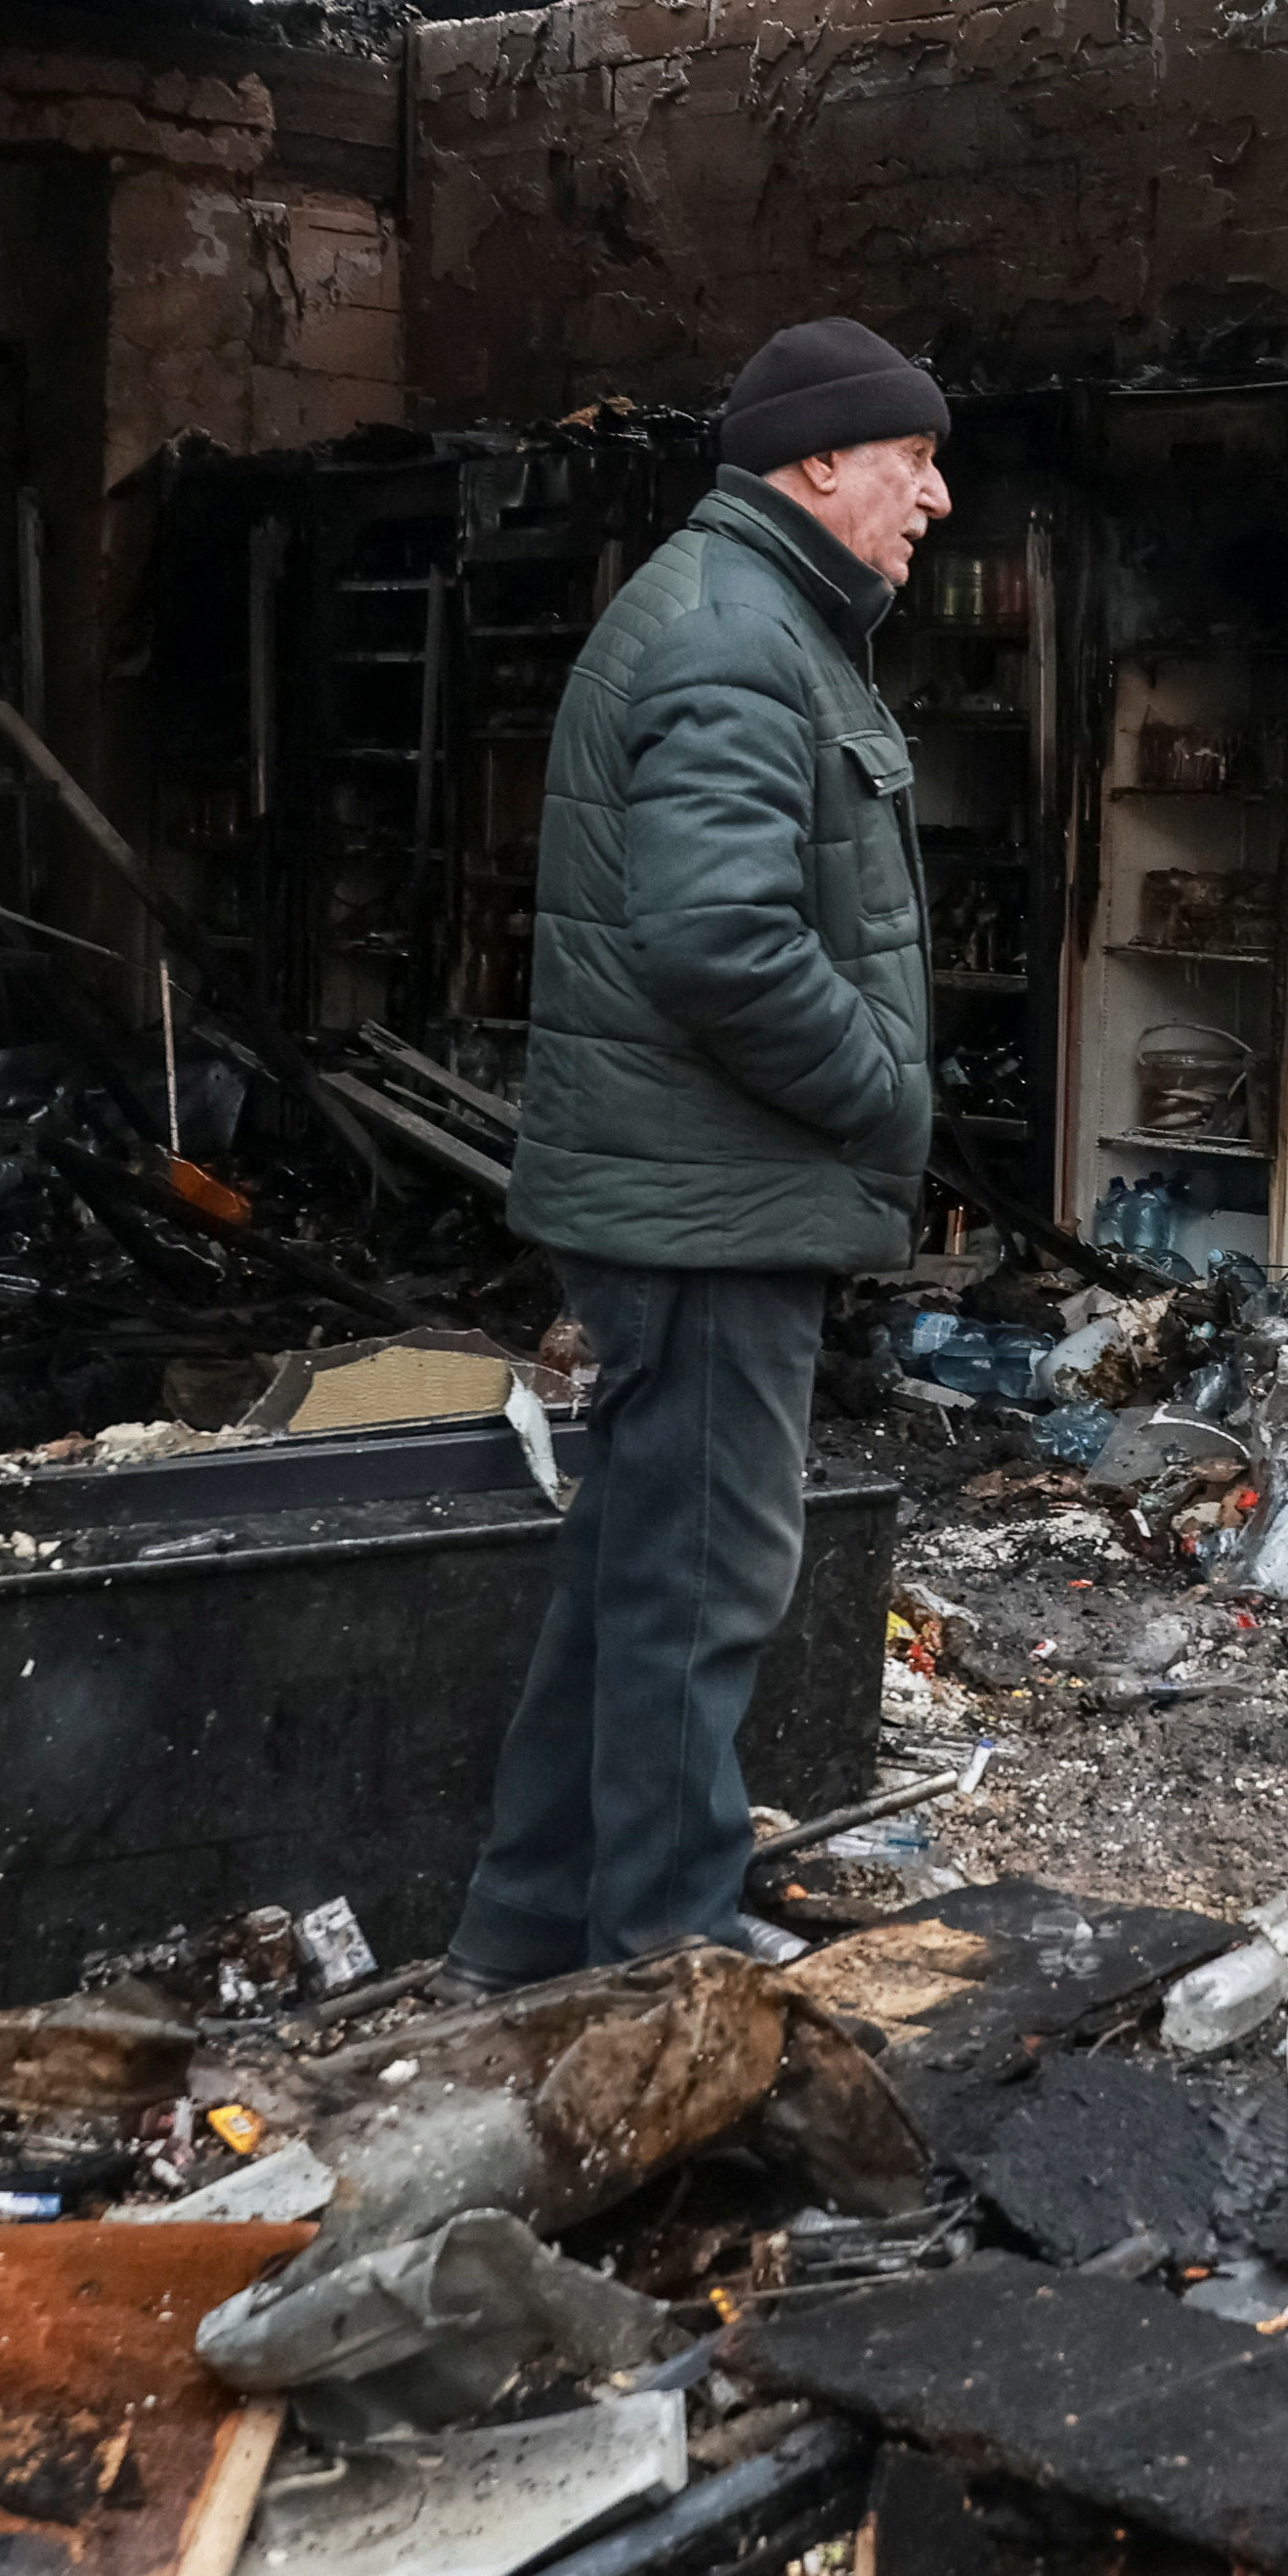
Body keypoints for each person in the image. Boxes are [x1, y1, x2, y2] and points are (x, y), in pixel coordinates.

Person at [439, 318, 952, 1999]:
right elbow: (720, 939)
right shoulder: (739, 637)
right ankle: (661, 1957)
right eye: (912, 460)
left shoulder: (748, 617)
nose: (934, 497)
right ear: (817, 464)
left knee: (627, 1585)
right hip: (709, 1205)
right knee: (702, 1587)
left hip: (690, 1191)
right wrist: (884, 1090)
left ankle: (523, 1943)